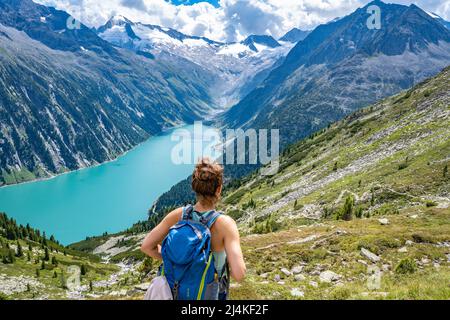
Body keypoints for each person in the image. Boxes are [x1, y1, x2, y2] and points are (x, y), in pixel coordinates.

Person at [141, 158, 246, 300]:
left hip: (172, 294)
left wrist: (176, 260)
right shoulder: (226, 225)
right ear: (219, 189)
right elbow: (239, 274)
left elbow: (147, 247)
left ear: (194, 187)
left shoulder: (179, 215)